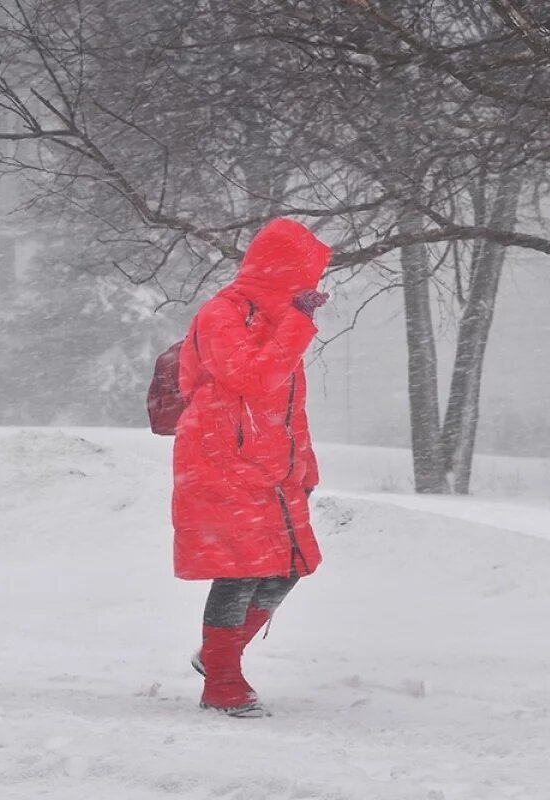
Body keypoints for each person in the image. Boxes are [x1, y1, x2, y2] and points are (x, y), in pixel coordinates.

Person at [171, 217, 331, 718]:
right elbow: (254, 378)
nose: (312, 286)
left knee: (291, 567)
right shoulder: (224, 313)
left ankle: (220, 655)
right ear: (279, 270)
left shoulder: (276, 319)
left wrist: (304, 466)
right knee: (240, 571)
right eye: (305, 274)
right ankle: (221, 680)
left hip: (272, 472)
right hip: (221, 464)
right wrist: (298, 324)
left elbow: (286, 409)